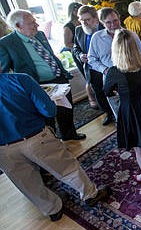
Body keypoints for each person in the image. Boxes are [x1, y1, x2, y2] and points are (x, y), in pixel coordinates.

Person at [0, 71, 111, 222]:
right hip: (35, 136)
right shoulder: (21, 79)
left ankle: (52, 209)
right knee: (67, 168)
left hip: (3, 149)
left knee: (26, 182)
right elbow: (49, 110)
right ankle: (90, 194)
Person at [0, 9, 85, 141]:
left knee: (66, 109)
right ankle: (51, 141)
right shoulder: (6, 43)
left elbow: (49, 55)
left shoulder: (39, 34)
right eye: (31, 23)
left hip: (59, 78)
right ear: (18, 26)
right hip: (38, 85)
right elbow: (4, 71)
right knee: (46, 115)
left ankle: (69, 135)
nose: (37, 25)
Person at [103, 29, 141, 183]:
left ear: (115, 49)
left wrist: (119, 90)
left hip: (130, 110)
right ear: (134, 47)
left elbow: (106, 91)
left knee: (138, 145)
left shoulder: (114, 72)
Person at [88, 7, 141, 122]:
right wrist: (105, 70)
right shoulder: (97, 38)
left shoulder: (131, 35)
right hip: (111, 80)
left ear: (119, 18)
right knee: (119, 115)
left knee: (137, 113)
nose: (113, 25)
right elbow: (91, 59)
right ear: (102, 23)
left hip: (131, 80)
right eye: (108, 22)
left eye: (115, 20)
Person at [73, 5, 104, 111]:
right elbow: (75, 48)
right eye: (82, 20)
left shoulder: (105, 28)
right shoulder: (79, 31)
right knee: (98, 93)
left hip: (106, 67)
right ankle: (107, 113)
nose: (84, 23)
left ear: (96, 18)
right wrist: (80, 55)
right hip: (91, 69)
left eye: (87, 20)